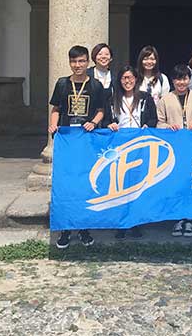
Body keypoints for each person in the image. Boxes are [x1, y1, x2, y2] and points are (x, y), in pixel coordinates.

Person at [48, 45, 107, 249]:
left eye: (81, 61)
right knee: (66, 184)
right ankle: (65, 228)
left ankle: (83, 228)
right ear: (69, 62)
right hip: (67, 140)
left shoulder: (96, 86)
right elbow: (56, 109)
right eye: (74, 61)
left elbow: (101, 110)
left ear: (88, 62)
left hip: (87, 140)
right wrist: (53, 124)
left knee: (85, 183)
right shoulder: (62, 83)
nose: (77, 65)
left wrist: (94, 122)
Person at [106, 65, 158, 240]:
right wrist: (110, 124)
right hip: (119, 146)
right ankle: (121, 223)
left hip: (139, 146)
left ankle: (135, 222)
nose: (127, 81)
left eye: (130, 78)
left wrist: (148, 125)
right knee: (120, 184)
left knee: (137, 185)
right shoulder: (112, 99)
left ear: (136, 79)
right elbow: (106, 120)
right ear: (119, 80)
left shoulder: (145, 97)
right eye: (124, 78)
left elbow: (153, 118)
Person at [156, 64, 192, 237]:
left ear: (189, 79)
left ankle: (190, 219)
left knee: (191, 183)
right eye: (177, 79)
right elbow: (159, 122)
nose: (181, 82)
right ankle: (177, 218)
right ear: (173, 80)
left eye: (184, 78)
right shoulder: (165, 99)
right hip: (174, 147)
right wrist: (167, 127)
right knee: (176, 183)